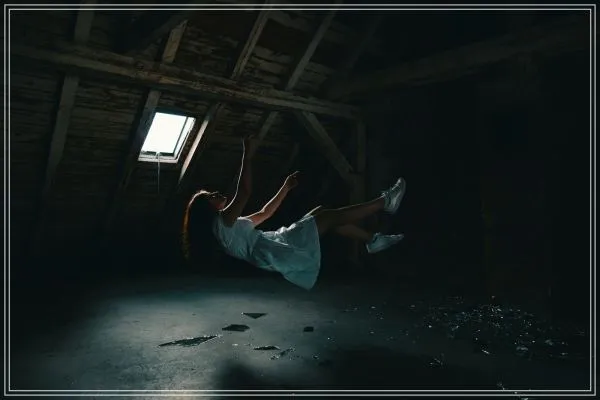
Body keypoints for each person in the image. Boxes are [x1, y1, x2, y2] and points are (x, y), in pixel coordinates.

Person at [182, 134, 406, 290]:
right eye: (210, 196)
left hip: (273, 242)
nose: (216, 193)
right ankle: (384, 202)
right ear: (207, 210)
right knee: (326, 217)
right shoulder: (221, 222)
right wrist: (247, 155)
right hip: (272, 251)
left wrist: (286, 187)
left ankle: (372, 240)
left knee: (321, 213)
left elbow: (265, 213)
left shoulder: (228, 225)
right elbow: (245, 192)